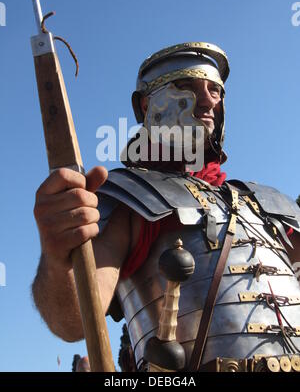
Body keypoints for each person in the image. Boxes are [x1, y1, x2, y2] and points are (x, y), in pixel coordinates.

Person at [32, 42, 300, 373]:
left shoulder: (262, 202)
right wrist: (58, 258)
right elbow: (73, 321)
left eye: (215, 90)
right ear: (147, 105)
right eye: (186, 86)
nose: (207, 101)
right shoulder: (130, 199)